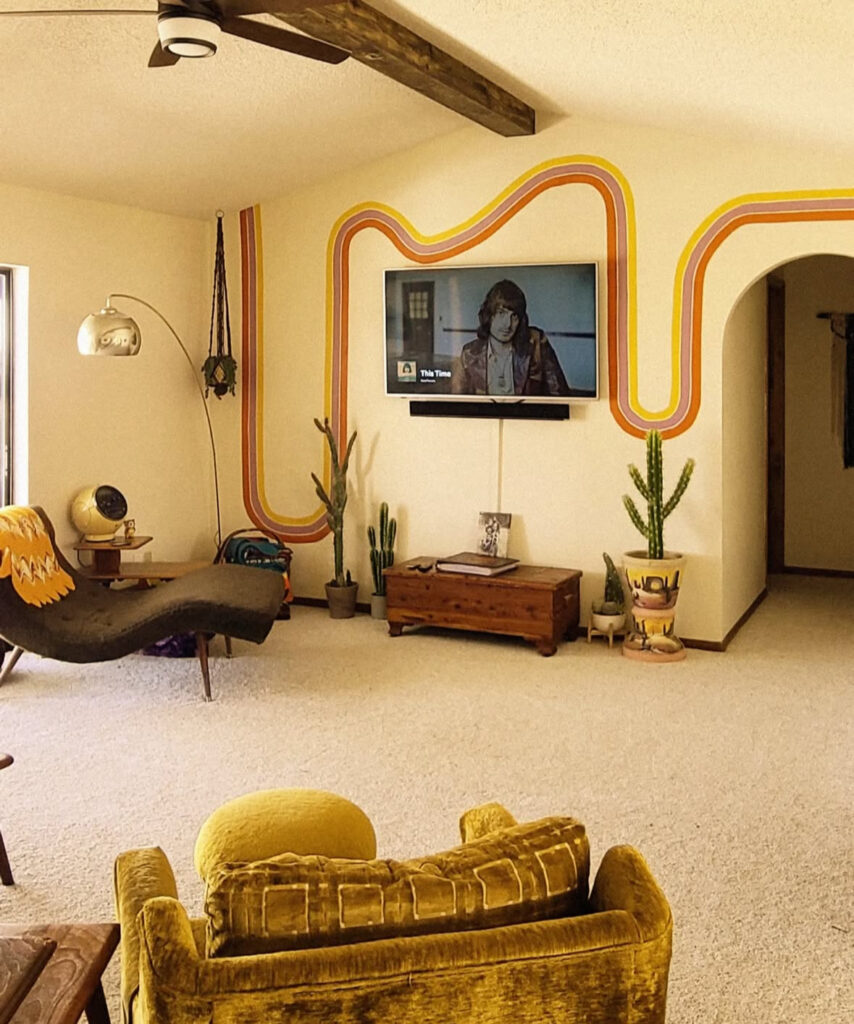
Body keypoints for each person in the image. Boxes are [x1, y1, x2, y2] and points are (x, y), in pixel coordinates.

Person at [450, 279, 571, 396]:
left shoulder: (536, 344)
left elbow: (559, 395)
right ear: (489, 315)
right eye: (501, 313)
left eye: (514, 316)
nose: (507, 324)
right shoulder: (469, 353)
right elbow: (456, 403)